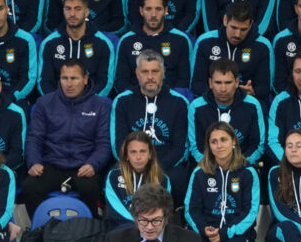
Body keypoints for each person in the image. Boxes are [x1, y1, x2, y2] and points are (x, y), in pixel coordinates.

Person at [23, 59, 111, 216]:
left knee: (90, 188)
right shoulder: (44, 103)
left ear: (85, 79)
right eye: (65, 78)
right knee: (30, 186)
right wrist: (34, 162)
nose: (69, 84)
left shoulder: (100, 105)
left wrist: (93, 164)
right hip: (52, 164)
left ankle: (89, 231)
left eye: (74, 78)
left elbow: (104, 143)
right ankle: (42, 231)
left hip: (84, 165)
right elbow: (34, 138)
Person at [111, 50, 190, 208]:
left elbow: (181, 147)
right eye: (145, 71)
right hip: (132, 161)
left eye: (155, 71)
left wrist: (155, 168)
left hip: (166, 163)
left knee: (179, 177)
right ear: (137, 73)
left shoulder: (179, 102)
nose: (150, 77)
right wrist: (137, 164)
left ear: (163, 73)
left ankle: (177, 218)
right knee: (115, 175)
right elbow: (119, 143)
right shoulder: (122, 101)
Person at [38, 0, 116, 97]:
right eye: (68, 9)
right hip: (57, 103)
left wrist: (86, 102)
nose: (72, 14)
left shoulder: (103, 44)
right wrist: (57, 103)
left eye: (78, 9)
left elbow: (105, 81)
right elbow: (44, 81)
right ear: (63, 11)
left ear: (87, 12)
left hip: (91, 103)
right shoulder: (49, 43)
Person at [114, 0, 192, 93]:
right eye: (148, 9)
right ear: (141, 11)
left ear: (166, 10)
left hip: (171, 102)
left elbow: (184, 81)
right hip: (136, 101)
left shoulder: (180, 40)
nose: (153, 15)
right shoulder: (127, 41)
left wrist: (170, 100)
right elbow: (121, 81)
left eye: (158, 9)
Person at [192, 1, 272, 103]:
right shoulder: (205, 42)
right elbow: (197, 84)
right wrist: (219, 95)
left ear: (251, 24)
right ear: (225, 20)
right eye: (233, 28)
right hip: (211, 102)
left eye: (243, 29)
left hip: (246, 102)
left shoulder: (262, 46)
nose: (237, 34)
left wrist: (253, 92)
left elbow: (265, 88)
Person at [188, 59, 265, 165]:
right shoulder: (197, 107)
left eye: (228, 82)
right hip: (208, 167)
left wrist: (240, 164)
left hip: (242, 166)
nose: (223, 88)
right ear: (210, 83)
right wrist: (212, 166)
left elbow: (257, 144)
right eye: (218, 82)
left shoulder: (252, 105)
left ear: (237, 82)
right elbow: (196, 146)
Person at [105, 132, 170, 230]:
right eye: (133, 152)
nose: (138, 157)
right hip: (121, 228)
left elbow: (161, 211)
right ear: (126, 155)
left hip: (150, 229)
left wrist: (146, 224)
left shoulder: (162, 179)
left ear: (150, 154)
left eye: (143, 151)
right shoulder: (114, 175)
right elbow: (114, 209)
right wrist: (138, 224)